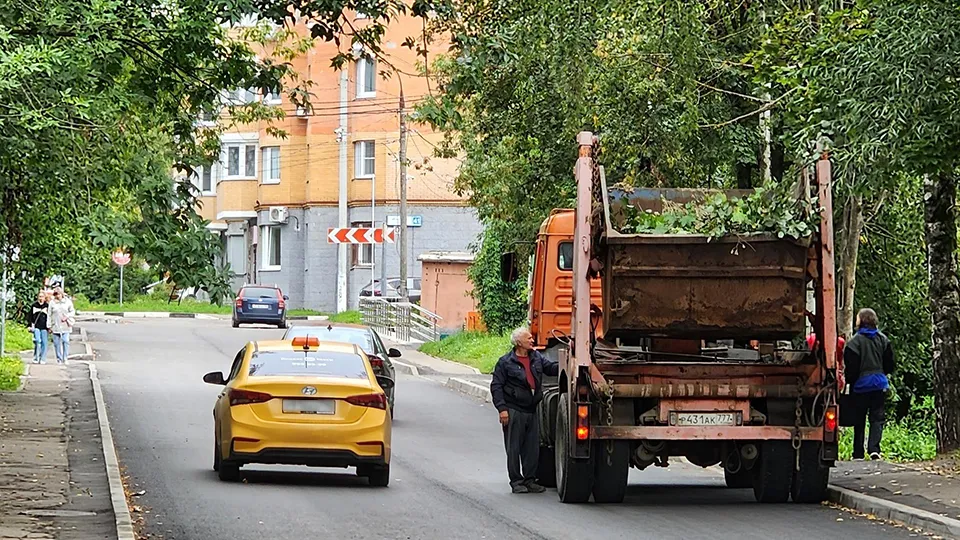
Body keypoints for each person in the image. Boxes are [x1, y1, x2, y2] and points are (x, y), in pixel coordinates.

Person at [490, 327, 559, 494]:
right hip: (514, 410)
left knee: (532, 448)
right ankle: (516, 481)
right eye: (528, 338)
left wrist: (568, 361)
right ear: (519, 342)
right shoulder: (505, 362)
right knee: (513, 448)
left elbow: (551, 368)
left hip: (531, 409)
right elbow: (496, 386)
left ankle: (530, 480)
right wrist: (502, 409)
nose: (532, 340)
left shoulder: (536, 357)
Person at [843, 308, 895, 461]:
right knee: (877, 418)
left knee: (859, 419)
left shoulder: (854, 343)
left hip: (860, 386)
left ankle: (858, 452)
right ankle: (874, 449)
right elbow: (890, 365)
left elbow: (851, 368)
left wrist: (850, 382)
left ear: (860, 321)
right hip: (879, 384)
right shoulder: (884, 340)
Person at [48, 287, 76, 364]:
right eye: (56, 294)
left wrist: (67, 316)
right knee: (56, 343)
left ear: (62, 294)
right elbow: (49, 314)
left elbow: (72, 311)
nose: (58, 296)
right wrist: (49, 326)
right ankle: (59, 359)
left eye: (59, 294)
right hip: (55, 325)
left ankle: (65, 358)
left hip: (65, 325)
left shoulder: (67, 302)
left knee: (65, 341)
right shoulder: (52, 303)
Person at [27, 291, 50, 364]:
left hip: (45, 327)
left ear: (45, 298)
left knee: (44, 343)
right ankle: (36, 357)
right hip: (36, 326)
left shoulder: (47, 306)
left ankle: (42, 358)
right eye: (39, 296)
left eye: (42, 296)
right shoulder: (34, 305)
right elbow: (30, 316)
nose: (41, 298)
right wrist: (29, 325)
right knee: (37, 341)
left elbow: (50, 317)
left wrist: (50, 327)